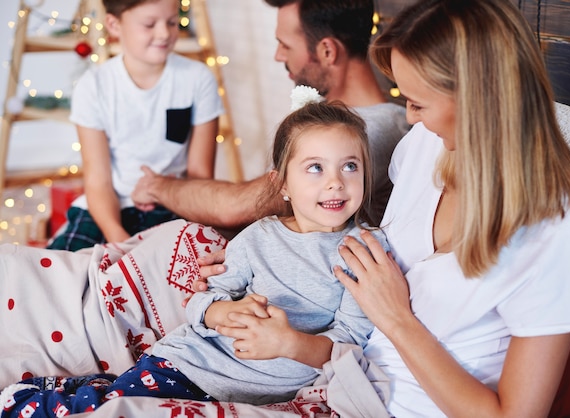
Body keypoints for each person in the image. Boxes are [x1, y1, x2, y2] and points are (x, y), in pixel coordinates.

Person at [206, 0, 570, 416]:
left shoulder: (557, 230)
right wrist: (259, 251)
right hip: (336, 375)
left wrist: (397, 319)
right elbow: (361, 236)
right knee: (175, 245)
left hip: (387, 405)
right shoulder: (425, 147)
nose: (410, 118)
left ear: (476, 99)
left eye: (418, 102)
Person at [1, 98, 390, 415]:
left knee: (121, 402)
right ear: (283, 184)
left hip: (246, 390)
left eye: (350, 166)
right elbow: (203, 299)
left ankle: (80, 390)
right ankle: (23, 400)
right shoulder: (261, 237)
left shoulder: (363, 251)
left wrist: (289, 343)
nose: (335, 182)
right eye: (315, 168)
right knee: (101, 410)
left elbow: (350, 343)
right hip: (192, 362)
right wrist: (223, 312)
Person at [131, 0, 409, 230]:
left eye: (286, 45)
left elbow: (233, 207)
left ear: (327, 51)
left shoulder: (365, 132)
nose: (278, 55)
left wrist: (157, 185)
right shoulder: (350, 120)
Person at [47, 0, 223, 251]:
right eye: (149, 24)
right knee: (60, 270)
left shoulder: (198, 79)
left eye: (172, 22)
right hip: (108, 208)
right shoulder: (94, 86)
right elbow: (99, 182)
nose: (164, 33)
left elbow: (201, 177)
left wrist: (162, 190)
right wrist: (118, 238)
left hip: (174, 204)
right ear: (114, 25)